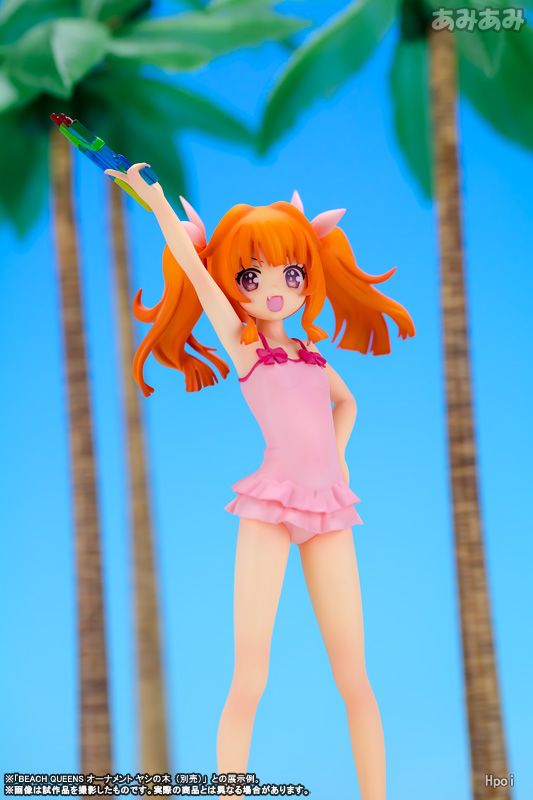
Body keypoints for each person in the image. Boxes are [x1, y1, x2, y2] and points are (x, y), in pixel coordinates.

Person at [104, 162, 416, 800]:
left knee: (355, 678)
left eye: (290, 274)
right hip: (269, 507)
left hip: (329, 508)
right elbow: (195, 272)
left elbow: (348, 403)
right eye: (252, 277)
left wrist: (340, 456)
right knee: (250, 676)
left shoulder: (312, 356)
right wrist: (157, 205)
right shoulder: (247, 349)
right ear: (235, 285)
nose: (274, 289)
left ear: (308, 278)